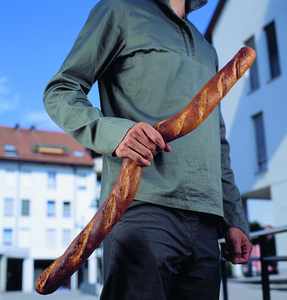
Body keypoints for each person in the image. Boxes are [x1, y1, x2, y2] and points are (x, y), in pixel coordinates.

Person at [43, 0, 252, 299]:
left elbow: (217, 139)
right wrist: (117, 134)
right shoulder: (120, 10)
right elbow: (61, 91)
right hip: (142, 208)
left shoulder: (207, 48)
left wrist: (234, 217)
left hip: (206, 222)